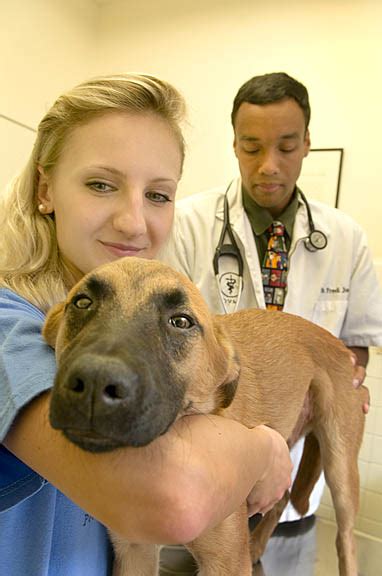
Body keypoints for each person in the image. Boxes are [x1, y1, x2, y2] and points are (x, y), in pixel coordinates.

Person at [0, 73, 293, 576]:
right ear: (46, 189)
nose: (134, 223)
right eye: (100, 184)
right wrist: (265, 448)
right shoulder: (10, 328)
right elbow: (172, 499)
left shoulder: (82, 329)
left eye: (158, 195)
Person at [160, 72, 382, 575]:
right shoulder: (188, 223)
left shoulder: (346, 238)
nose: (268, 166)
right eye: (251, 147)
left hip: (291, 497)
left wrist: (339, 387)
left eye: (285, 147)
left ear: (307, 143)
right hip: (202, 479)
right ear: (233, 144)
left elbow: (356, 349)